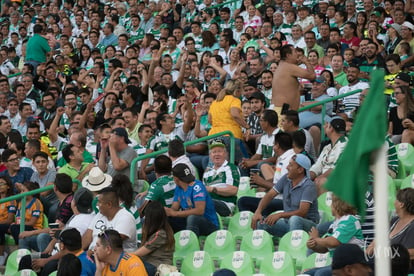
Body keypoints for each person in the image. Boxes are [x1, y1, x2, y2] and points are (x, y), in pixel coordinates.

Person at [252, 154, 319, 237]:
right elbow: (269, 195)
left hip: (308, 226)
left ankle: (293, 248)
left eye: (290, 165)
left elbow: (302, 212)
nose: (287, 167)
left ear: (300, 170)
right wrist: (258, 212)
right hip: (287, 223)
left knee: (295, 219)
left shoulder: (309, 186)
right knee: (261, 223)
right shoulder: (286, 178)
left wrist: (280, 215)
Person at [304, 195, 365, 275]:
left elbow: (334, 242)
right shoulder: (334, 224)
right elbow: (324, 249)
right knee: (307, 273)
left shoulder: (350, 220)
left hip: (350, 266)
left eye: (332, 203)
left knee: (320, 274)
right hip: (336, 266)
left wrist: (317, 239)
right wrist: (313, 245)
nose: (330, 206)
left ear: (337, 205)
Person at [366, 188, 414, 274]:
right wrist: (371, 249)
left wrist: (384, 252)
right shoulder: (394, 220)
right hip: (381, 263)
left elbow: (410, 253)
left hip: (399, 269)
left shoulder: (412, 226)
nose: (394, 202)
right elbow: (375, 242)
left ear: (401, 204)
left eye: (396, 200)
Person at [164, 164, 219, 236]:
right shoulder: (179, 188)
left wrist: (175, 213)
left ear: (175, 178)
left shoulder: (197, 187)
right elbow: (174, 208)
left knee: (192, 218)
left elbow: (199, 211)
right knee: (167, 219)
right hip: (188, 221)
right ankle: (170, 244)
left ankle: (190, 245)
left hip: (209, 224)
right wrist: (167, 211)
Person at [82, 187, 137, 254]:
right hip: (93, 255)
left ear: (109, 204)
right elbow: (87, 237)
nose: (97, 205)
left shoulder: (125, 218)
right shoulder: (100, 214)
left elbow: (111, 243)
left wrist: (93, 251)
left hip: (115, 259)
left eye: (99, 202)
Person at [133, 201, 175, 276]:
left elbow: (142, 251)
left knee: (133, 268)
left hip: (157, 265)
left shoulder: (160, 234)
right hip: (148, 263)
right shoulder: (153, 231)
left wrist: (123, 256)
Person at [272, 44, 316, 113]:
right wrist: (306, 62)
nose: (297, 54)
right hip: (284, 110)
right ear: (288, 55)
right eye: (295, 52)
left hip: (280, 108)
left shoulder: (282, 66)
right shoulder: (289, 67)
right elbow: (312, 76)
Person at [202, 140, 240, 216]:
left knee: (204, 203)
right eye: (214, 152)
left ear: (225, 154)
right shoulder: (207, 172)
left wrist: (212, 189)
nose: (217, 154)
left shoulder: (230, 168)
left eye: (219, 151)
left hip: (225, 204)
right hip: (209, 202)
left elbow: (233, 190)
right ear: (210, 156)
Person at [98, 128, 140, 192]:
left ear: (121, 138)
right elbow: (101, 168)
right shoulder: (114, 152)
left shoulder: (130, 151)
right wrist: (103, 148)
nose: (110, 140)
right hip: (110, 187)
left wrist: (111, 146)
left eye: (111, 137)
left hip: (123, 189)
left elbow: (117, 166)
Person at [0, 176, 15, 265]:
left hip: (8, 226)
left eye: (2, 183)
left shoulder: (11, 199)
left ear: (8, 186)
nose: (0, 185)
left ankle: (1, 254)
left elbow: (9, 220)